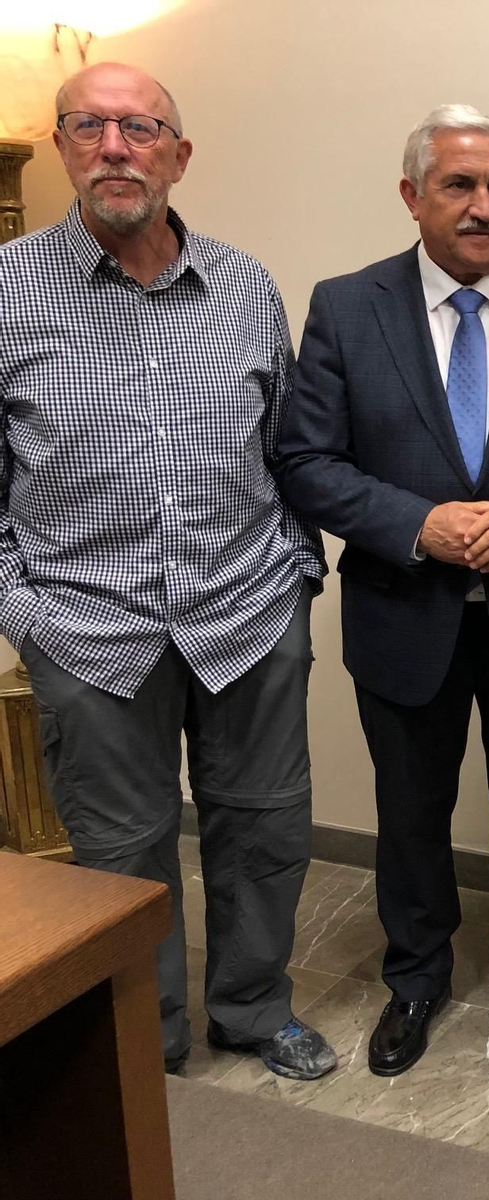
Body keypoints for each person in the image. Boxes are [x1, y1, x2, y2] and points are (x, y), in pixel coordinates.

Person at [0, 63, 335, 1079]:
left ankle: (252, 1007)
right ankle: (143, 1042)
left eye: (140, 128)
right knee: (120, 853)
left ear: (177, 156)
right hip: (87, 633)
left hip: (246, 616)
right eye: (90, 127)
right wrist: (25, 614)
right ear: (61, 148)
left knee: (265, 828)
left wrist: (296, 580)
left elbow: (289, 453)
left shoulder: (243, 286)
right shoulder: (8, 292)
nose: (115, 147)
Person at [279, 104, 489, 1077]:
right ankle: (415, 976)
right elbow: (305, 459)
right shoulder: (346, 306)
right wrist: (417, 524)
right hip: (401, 614)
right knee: (411, 815)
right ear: (413, 196)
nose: (483, 205)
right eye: (460, 185)